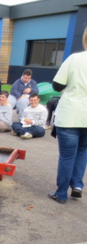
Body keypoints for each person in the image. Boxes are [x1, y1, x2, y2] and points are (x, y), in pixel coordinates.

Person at [49, 27, 87, 204]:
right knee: (83, 151)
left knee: (67, 155)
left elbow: (57, 85)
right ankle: (77, 185)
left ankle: (61, 193)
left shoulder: (74, 59)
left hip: (71, 113)